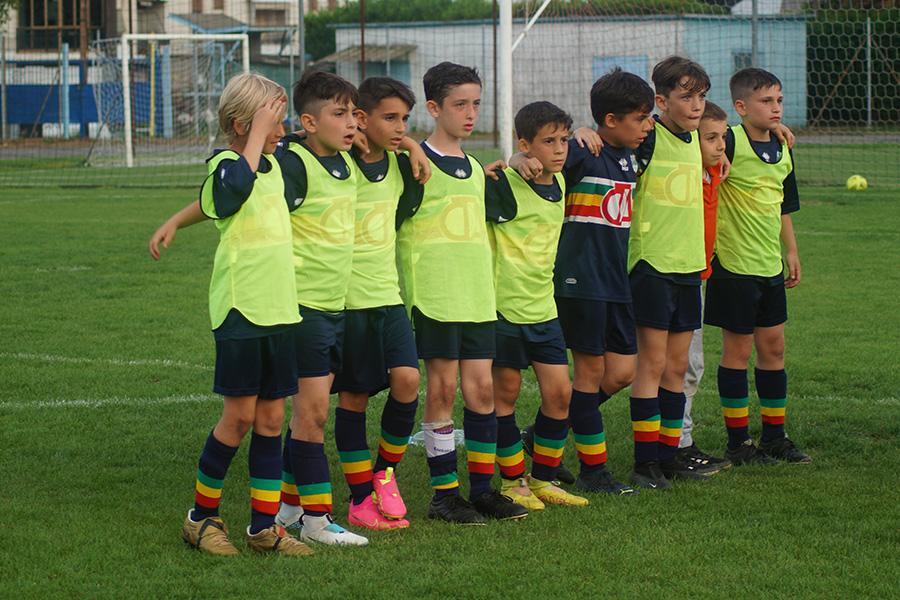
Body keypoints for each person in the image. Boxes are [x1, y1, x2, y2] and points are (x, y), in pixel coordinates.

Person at [150, 73, 312, 556]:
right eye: (269, 119)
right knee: (239, 417)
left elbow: (324, 135)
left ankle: (263, 527)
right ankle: (200, 518)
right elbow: (229, 191)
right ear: (242, 125)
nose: (279, 127)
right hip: (242, 310)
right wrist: (258, 136)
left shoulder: (274, 163)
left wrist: (175, 219)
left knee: (271, 419)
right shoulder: (227, 165)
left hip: (280, 309)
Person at [512, 68, 657, 496]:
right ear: (610, 120)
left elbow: (673, 126)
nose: (646, 126)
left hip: (615, 281)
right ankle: (594, 471)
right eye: (639, 118)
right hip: (581, 280)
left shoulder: (632, 152)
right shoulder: (581, 151)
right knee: (590, 372)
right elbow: (536, 159)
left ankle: (542, 434)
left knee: (622, 373)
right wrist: (568, 137)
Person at [395, 62, 526, 524]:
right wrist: (409, 143)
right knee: (443, 389)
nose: (471, 113)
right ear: (434, 108)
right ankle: (445, 496)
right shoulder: (413, 165)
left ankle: (484, 491)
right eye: (460, 104)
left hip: (477, 295)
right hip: (436, 295)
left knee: (483, 390)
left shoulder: (474, 168)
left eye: (476, 104)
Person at [272, 69, 369, 546]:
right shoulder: (292, 163)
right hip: (302, 310)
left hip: (335, 308)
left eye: (353, 113)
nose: (351, 122)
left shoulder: (346, 161)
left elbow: (394, 140)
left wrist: (412, 146)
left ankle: (289, 507)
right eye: (339, 113)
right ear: (308, 122)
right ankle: (316, 522)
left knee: (307, 417)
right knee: (312, 417)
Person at [331, 77, 426, 531]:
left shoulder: (401, 166)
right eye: (390, 118)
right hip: (348, 302)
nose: (400, 127)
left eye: (405, 119)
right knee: (353, 397)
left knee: (408, 380)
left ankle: (384, 473)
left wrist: (413, 146)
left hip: (388, 296)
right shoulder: (337, 161)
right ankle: (359, 498)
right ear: (360, 118)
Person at [485, 101, 589, 510]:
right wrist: (513, 162)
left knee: (560, 394)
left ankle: (543, 479)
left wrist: (585, 133)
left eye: (564, 140)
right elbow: (475, 184)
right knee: (505, 396)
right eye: (549, 142)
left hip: (544, 309)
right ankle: (513, 483)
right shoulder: (504, 183)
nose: (560, 149)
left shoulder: (562, 179)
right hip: (504, 310)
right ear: (526, 144)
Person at [705, 67, 810, 465]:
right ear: (741, 106)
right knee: (737, 351)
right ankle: (738, 444)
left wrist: (791, 252)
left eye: (779, 100)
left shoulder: (783, 146)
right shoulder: (728, 141)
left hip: (769, 266)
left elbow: (783, 204)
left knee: (774, 348)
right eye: (766, 101)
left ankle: (774, 437)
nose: (776, 107)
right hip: (733, 266)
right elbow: (696, 144)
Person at [625, 56, 715, 489]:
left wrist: (776, 131)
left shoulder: (696, 138)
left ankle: (668, 454)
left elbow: (734, 136)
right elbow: (600, 149)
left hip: (689, 266)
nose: (696, 105)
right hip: (652, 266)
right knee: (653, 365)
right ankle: (645, 464)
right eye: (686, 97)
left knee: (677, 366)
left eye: (702, 96)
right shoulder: (646, 138)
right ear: (661, 101)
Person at [675, 102, 733, 473]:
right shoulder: (678, 171)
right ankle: (677, 445)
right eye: (711, 138)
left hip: (694, 276)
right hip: (670, 276)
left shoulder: (712, 168)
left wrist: (777, 130)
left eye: (723, 137)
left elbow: (751, 134)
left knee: (687, 366)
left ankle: (679, 442)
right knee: (677, 366)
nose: (721, 145)